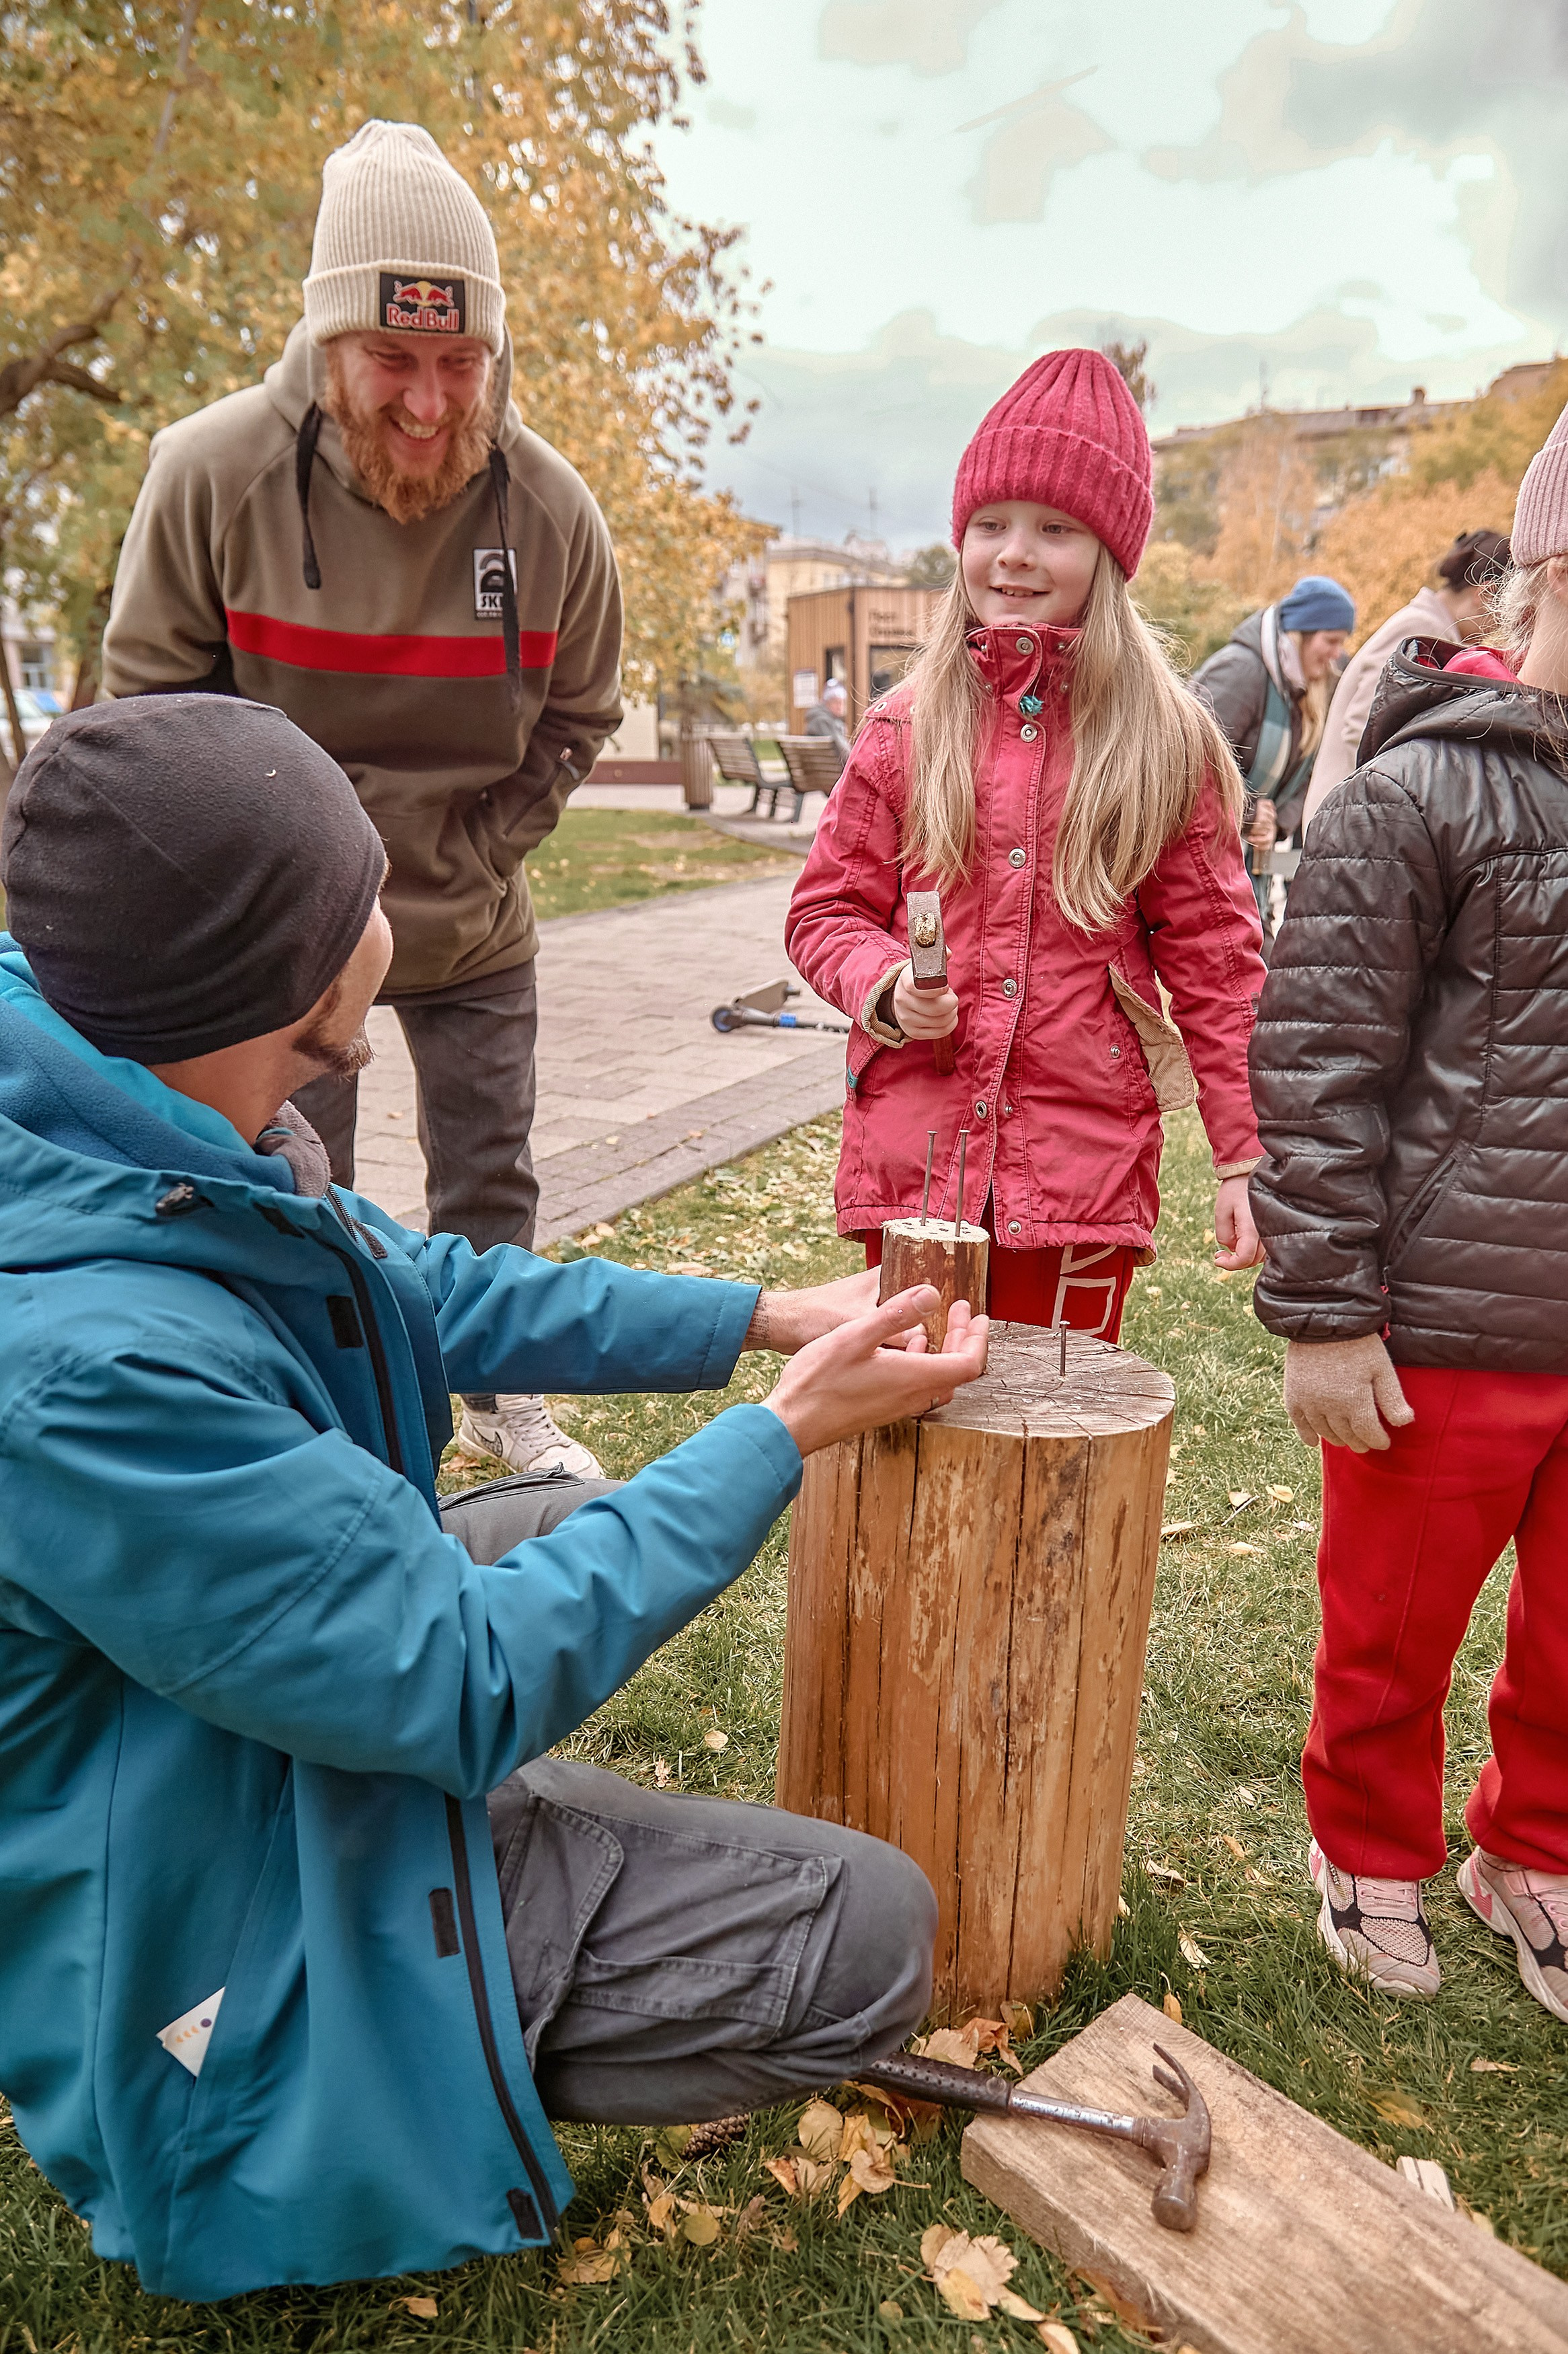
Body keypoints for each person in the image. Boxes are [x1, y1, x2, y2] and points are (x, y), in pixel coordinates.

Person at [0, 695, 987, 2303]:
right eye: (354, 900)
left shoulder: (125, 1089)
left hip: (231, 1737)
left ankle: (461, 1859)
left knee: (544, 1538)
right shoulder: (84, 1371)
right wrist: (778, 1434)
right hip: (219, 1938)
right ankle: (361, 2076)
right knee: (871, 1932)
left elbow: (418, 1287)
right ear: (279, 986)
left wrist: (759, 1318)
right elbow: (454, 1681)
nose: (386, 921)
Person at [100, 120, 619, 1484]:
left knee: (490, 1173)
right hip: (279, 927)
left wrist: (481, 847)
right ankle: (318, 1410)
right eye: (393, 357)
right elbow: (147, 717)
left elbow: (582, 716)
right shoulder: (208, 474)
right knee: (290, 1181)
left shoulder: (552, 511)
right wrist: (264, 876)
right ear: (330, 340)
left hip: (465, 916)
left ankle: (503, 1395)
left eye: (461, 361)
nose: (431, 402)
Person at [1248, 402, 1568, 2020]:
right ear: (1548, 577)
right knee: (1390, 1631)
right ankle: (1367, 1850)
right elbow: (1318, 1062)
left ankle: (1534, 1849)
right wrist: (1323, 1311)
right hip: (1448, 1315)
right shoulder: (1419, 792)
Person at [785, 350, 1267, 1340]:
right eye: (990, 525)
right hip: (916, 1160)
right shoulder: (904, 730)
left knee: (1060, 1414)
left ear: (1111, 554)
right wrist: (886, 985)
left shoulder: (1163, 745)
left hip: (1081, 1169)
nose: (1014, 554)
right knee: (912, 1406)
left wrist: (1245, 1155)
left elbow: (1219, 966)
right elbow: (826, 911)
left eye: (1055, 529)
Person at [1300, 529, 1512, 834]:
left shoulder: (1428, 626)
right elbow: (1362, 726)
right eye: (1507, 609)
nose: (1502, 624)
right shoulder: (1421, 629)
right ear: (1486, 595)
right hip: (1348, 824)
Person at [1191, 575, 1355, 935]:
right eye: (1331, 640)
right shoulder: (1241, 672)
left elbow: (1308, 774)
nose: (1337, 654)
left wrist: (1276, 822)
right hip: (1200, 867)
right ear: (1300, 633)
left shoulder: (1303, 692)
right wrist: (1248, 813)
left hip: (1250, 871)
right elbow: (1187, 764)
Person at [804, 677, 852, 769]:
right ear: (826, 703)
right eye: (836, 702)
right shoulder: (824, 722)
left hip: (817, 772)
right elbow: (844, 754)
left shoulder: (816, 720)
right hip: (830, 773)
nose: (840, 706)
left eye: (842, 702)